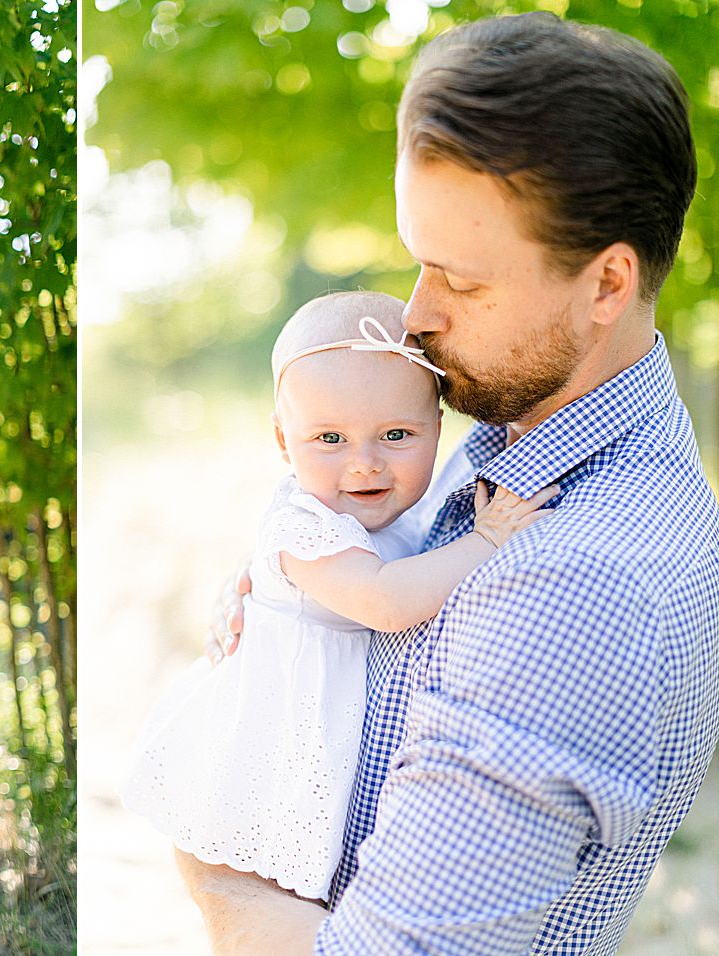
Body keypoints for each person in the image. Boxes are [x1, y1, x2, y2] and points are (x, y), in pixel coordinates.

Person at [185, 12, 719, 954]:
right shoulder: (524, 434)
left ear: (606, 285)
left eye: (460, 282)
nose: (415, 314)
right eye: (416, 261)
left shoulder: (580, 585)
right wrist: (288, 598)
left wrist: (218, 887)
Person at [123, 291, 555, 901]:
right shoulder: (304, 525)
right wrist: (488, 539)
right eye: (329, 439)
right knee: (279, 890)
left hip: (344, 732)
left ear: (438, 426)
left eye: (397, 434)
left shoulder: (399, 510)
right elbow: (385, 599)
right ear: (283, 440)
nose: (364, 465)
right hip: (282, 746)